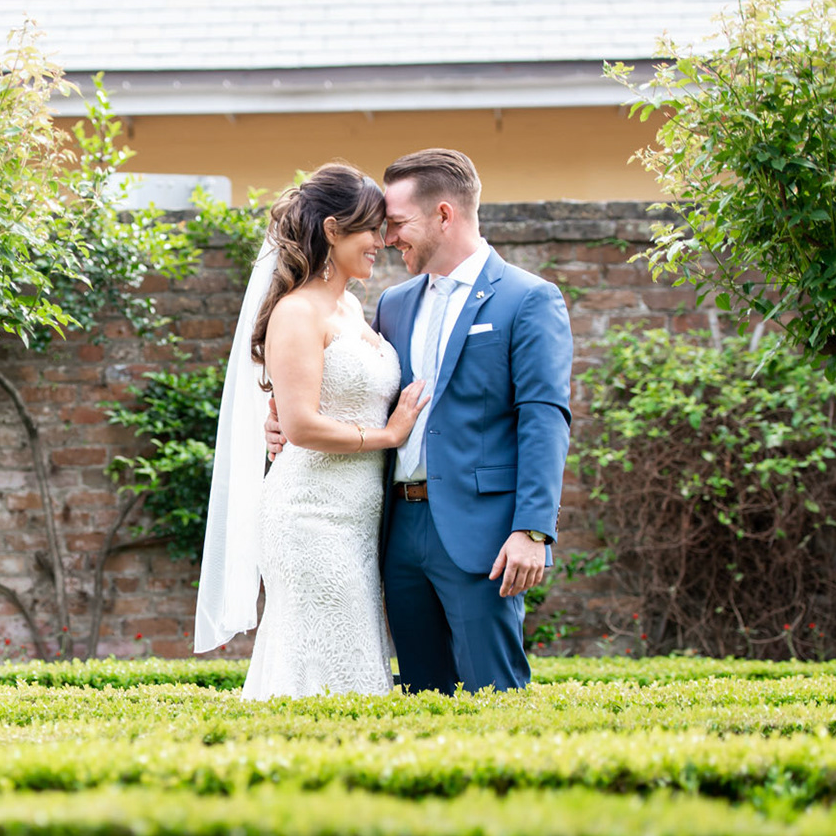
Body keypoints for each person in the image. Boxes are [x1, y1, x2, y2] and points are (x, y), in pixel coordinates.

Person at [265, 148, 572, 694]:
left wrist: (532, 530)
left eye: (399, 224)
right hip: (391, 529)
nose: (387, 238)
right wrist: (281, 423)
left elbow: (544, 419)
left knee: (494, 692)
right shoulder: (391, 305)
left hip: (482, 532)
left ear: (445, 215)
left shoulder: (528, 299)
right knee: (419, 697)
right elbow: (350, 396)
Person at [194, 162, 427, 698]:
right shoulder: (297, 311)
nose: (382, 241)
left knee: (357, 658)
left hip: (359, 517)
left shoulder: (351, 306)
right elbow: (299, 424)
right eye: (371, 229)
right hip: (309, 517)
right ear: (332, 230)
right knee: (325, 666)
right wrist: (388, 436)